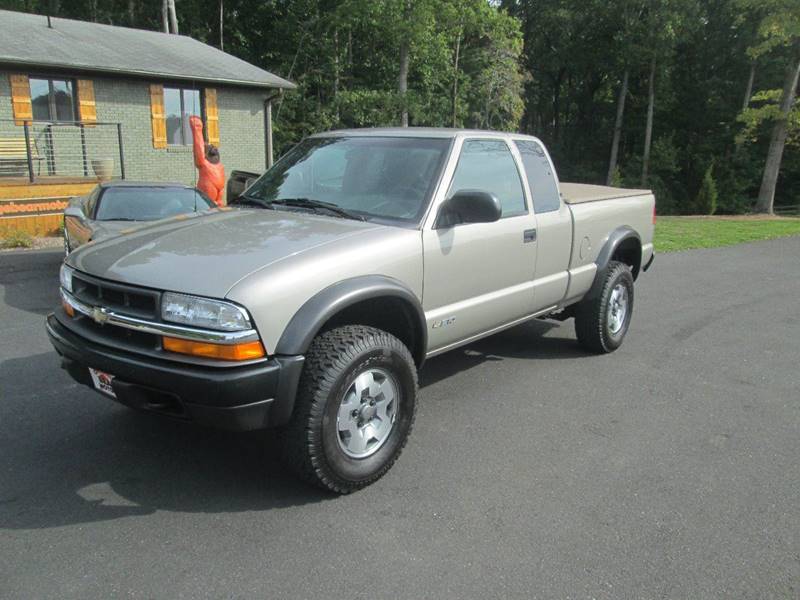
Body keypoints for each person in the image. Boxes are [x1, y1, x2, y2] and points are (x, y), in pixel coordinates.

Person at [189, 115, 225, 206]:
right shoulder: (203, 162)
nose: (212, 146)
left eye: (212, 145)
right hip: (208, 188)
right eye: (209, 146)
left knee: (219, 206)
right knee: (208, 206)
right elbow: (198, 147)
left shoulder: (218, 164)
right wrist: (197, 127)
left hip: (220, 191)